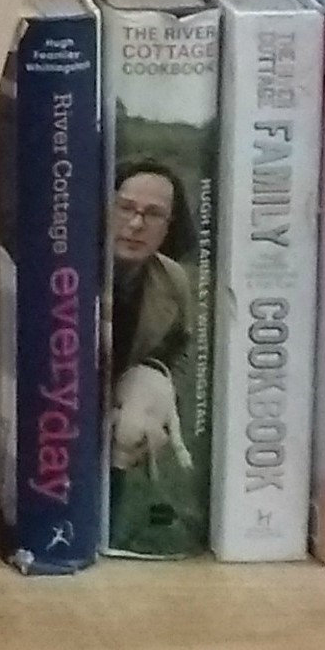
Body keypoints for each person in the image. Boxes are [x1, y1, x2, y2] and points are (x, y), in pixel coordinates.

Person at [106, 160, 203, 545]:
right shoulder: (66, 267)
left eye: (153, 214)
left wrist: (153, 382)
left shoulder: (173, 280)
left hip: (123, 424)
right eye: (125, 208)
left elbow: (181, 348)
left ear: (169, 226)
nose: (135, 224)